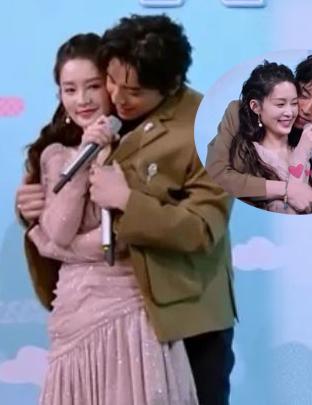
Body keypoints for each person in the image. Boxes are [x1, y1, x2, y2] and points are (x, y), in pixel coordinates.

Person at [22, 15, 237, 405]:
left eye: (133, 91)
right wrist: (31, 208)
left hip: (186, 316)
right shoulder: (97, 121)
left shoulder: (209, 130)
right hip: (102, 317)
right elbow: (62, 200)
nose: (117, 97)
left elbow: (201, 229)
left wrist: (126, 200)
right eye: (111, 81)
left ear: (170, 85)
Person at [206, 52, 312, 212]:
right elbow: (216, 173)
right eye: (303, 96)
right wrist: (286, 189)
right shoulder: (241, 112)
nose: (306, 109)